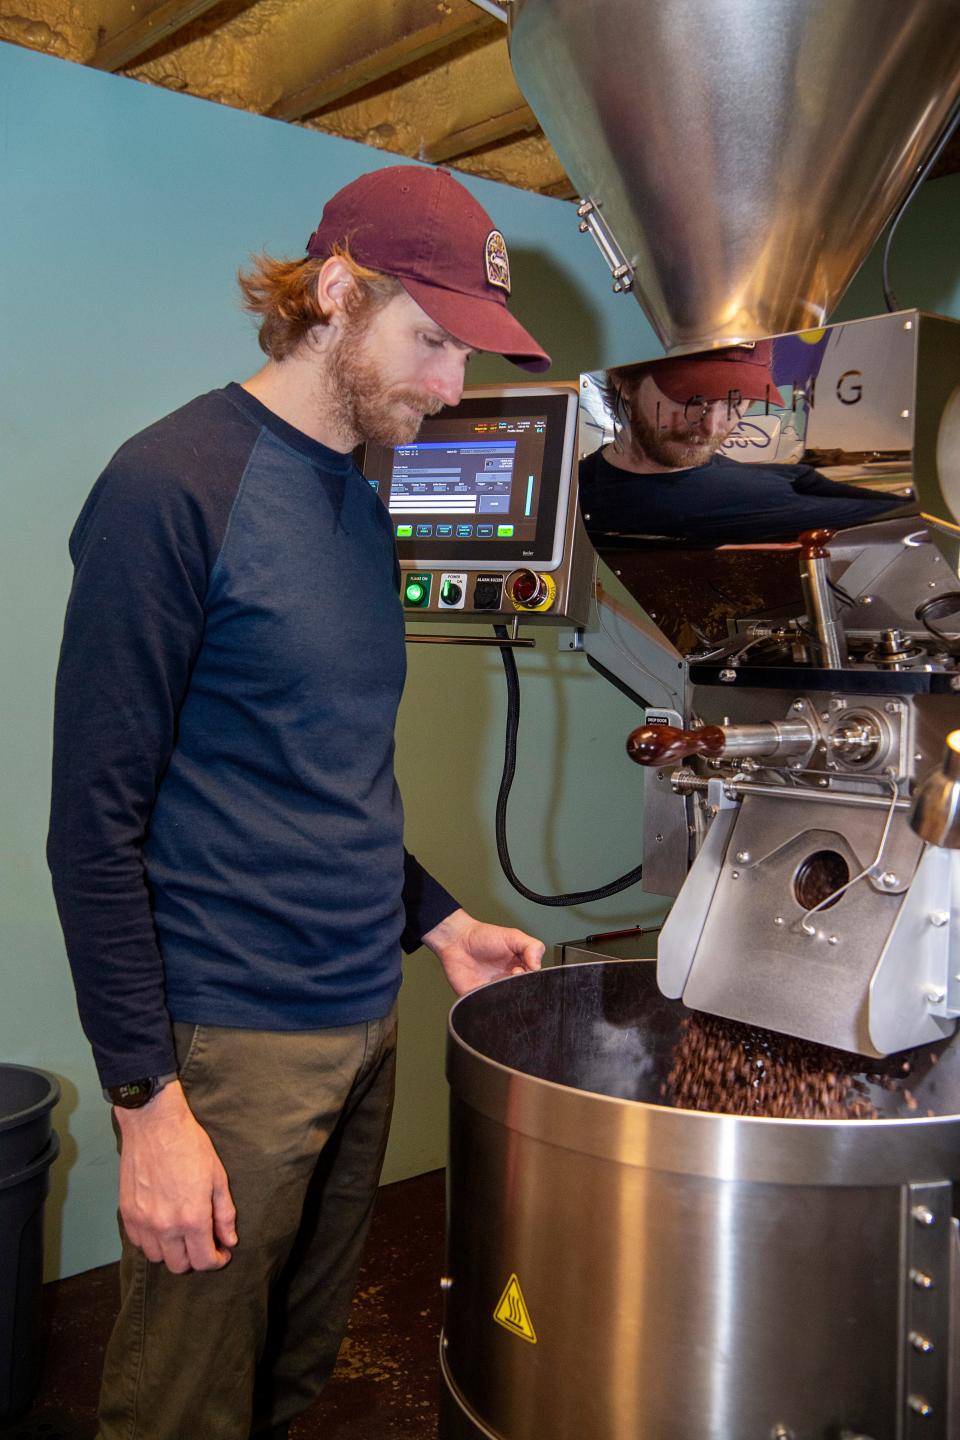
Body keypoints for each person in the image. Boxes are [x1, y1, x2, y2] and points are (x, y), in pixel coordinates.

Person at [46, 163, 549, 1440]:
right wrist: (148, 1106)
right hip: (230, 1048)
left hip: (361, 1019)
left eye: (466, 354)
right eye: (431, 341)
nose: (452, 388)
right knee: (181, 1408)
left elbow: (320, 773)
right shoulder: (172, 485)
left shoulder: (359, 498)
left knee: (288, 1378)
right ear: (335, 292)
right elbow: (90, 827)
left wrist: (437, 923)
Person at [579, 341, 911, 544]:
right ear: (623, 379)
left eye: (735, 402)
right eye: (691, 399)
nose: (711, 427)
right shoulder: (575, 499)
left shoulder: (776, 480)